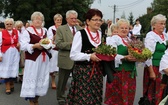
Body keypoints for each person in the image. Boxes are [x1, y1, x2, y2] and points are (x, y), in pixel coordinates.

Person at [67, 8, 103, 105]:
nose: (98, 22)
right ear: (88, 21)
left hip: (97, 72)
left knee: (95, 97)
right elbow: (73, 55)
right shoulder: (80, 34)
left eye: (100, 20)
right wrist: (89, 56)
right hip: (84, 72)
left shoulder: (100, 34)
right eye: (95, 20)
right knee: (84, 99)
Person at [20, 11, 51, 105]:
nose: (38, 21)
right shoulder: (28, 31)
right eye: (36, 19)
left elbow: (49, 42)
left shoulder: (45, 30)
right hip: (33, 60)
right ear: (32, 21)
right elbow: (23, 46)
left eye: (40, 19)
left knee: (41, 78)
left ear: (42, 21)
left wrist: (49, 45)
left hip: (43, 59)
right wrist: (34, 46)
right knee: (32, 78)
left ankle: (36, 99)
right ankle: (31, 101)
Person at [105, 19, 137, 105]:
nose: (124, 30)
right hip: (118, 72)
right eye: (122, 28)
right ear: (117, 29)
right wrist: (125, 57)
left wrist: (139, 57)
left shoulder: (129, 40)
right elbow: (111, 55)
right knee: (117, 98)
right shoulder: (114, 39)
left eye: (126, 28)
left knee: (129, 96)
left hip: (130, 72)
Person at [55, 10, 82, 104]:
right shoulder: (61, 29)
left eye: (75, 18)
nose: (74, 20)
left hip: (78, 59)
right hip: (65, 59)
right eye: (72, 18)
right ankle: (61, 98)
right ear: (67, 19)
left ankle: (75, 98)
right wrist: (72, 44)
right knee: (62, 81)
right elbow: (58, 43)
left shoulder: (80, 29)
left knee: (78, 81)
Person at [143, 14, 168, 105]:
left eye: (164, 23)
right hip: (154, 67)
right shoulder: (151, 36)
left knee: (162, 92)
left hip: (164, 68)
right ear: (153, 25)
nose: (163, 26)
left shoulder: (165, 36)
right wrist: (151, 71)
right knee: (153, 92)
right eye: (161, 23)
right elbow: (148, 55)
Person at [0, 18, 20, 95]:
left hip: (15, 53)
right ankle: (7, 86)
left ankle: (11, 83)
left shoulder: (16, 32)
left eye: (10, 24)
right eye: (7, 24)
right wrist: (0, 55)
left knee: (13, 68)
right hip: (6, 54)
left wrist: (19, 44)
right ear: (5, 25)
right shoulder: (2, 33)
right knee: (6, 69)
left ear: (13, 25)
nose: (9, 25)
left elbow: (20, 41)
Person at [47, 13, 63, 89]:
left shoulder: (64, 28)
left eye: (60, 20)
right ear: (54, 21)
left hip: (62, 49)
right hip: (54, 49)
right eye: (57, 20)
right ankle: (53, 81)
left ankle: (61, 83)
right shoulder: (51, 28)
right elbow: (50, 39)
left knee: (62, 67)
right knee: (53, 67)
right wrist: (57, 34)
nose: (59, 21)